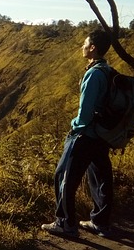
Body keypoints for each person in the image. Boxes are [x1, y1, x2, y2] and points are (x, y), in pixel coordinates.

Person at [41, 29, 114, 238]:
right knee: (101, 177)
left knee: (63, 176)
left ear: (93, 48)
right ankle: (101, 223)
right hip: (101, 135)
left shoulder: (93, 74)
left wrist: (75, 125)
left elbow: (85, 113)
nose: (82, 46)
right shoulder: (107, 70)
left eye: (85, 43)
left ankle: (65, 223)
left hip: (86, 134)